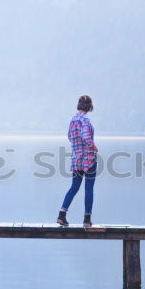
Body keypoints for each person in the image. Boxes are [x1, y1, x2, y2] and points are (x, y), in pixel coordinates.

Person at [57, 95, 97, 228]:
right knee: (89, 189)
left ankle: (61, 215)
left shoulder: (73, 120)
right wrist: (93, 146)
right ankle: (87, 220)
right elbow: (86, 136)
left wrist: (77, 147)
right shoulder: (85, 120)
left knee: (74, 187)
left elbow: (69, 136)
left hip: (76, 159)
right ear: (90, 106)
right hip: (88, 160)